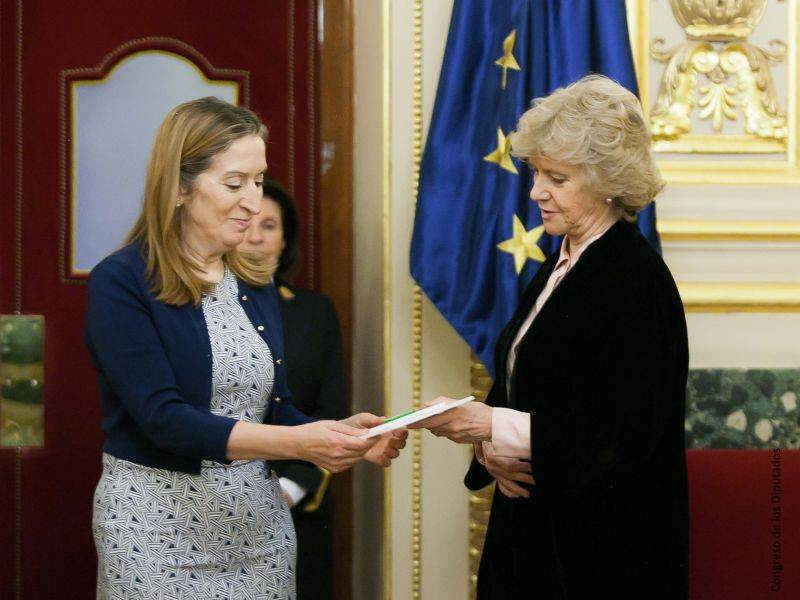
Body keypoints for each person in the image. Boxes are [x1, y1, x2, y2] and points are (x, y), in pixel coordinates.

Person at [85, 97, 405, 599]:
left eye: (258, 181)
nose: (254, 203)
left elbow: (269, 411)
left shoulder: (253, 281)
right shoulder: (122, 282)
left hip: (260, 535)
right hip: (153, 533)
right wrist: (302, 443)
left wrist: (342, 435)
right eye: (235, 184)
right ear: (178, 188)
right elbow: (165, 419)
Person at [411, 75, 689, 599]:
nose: (535, 191)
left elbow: (626, 435)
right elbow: (531, 383)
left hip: (605, 558)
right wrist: (489, 442)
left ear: (608, 182)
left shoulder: (635, 280)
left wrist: (493, 423)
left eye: (556, 179)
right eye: (537, 172)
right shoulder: (563, 262)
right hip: (542, 537)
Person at [239, 178, 346, 599]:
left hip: (297, 510)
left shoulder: (315, 313)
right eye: (245, 222)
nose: (255, 236)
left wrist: (288, 490)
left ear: (285, 241)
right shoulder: (196, 307)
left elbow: (330, 409)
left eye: (269, 226)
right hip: (208, 503)